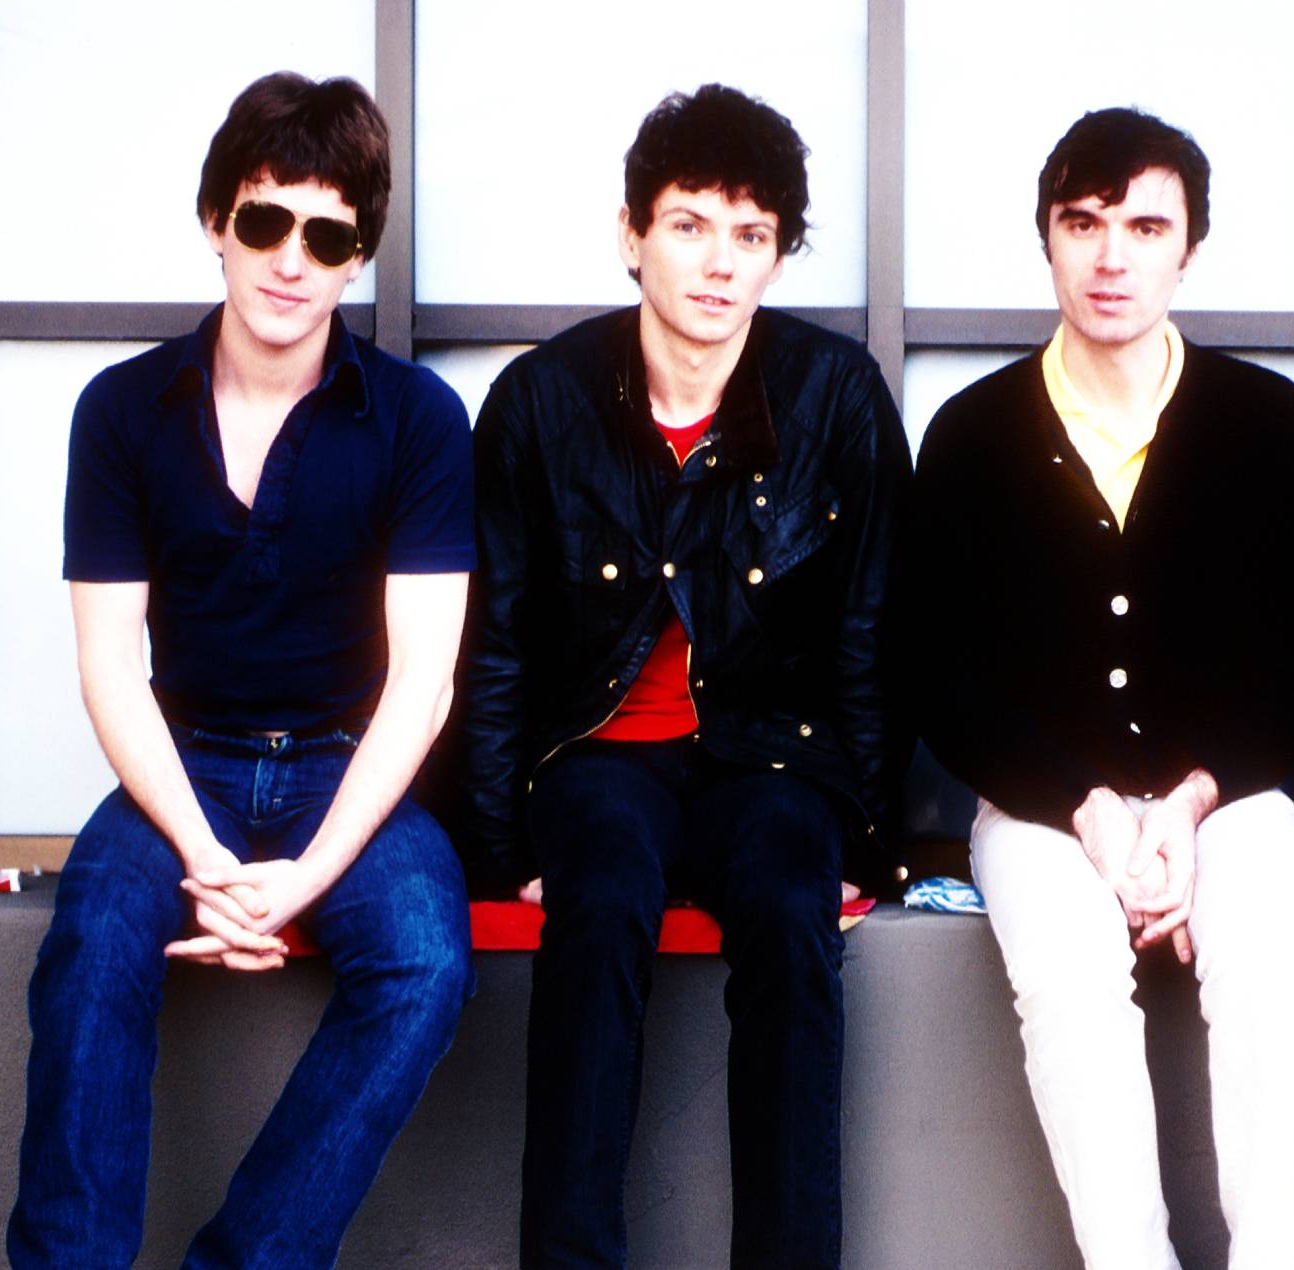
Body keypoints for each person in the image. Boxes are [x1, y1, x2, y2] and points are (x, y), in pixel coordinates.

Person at [8, 72, 477, 1268]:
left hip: (342, 773)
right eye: (264, 220)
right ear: (216, 218)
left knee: (425, 958)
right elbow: (109, 664)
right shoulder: (121, 412)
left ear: (357, 253)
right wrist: (212, 859)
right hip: (188, 766)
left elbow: (421, 683)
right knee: (92, 940)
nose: (289, 260)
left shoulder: (418, 418)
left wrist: (304, 877)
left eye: (326, 236)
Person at [443, 84, 910, 1268]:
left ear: (776, 256)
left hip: (770, 751)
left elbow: (869, 629)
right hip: (598, 751)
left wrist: (863, 840)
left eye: (751, 236)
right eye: (690, 224)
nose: (718, 264)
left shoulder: (835, 394)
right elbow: (491, 640)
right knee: (598, 905)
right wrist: (504, 852)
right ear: (630, 235)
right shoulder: (540, 402)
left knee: (792, 919)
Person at [906, 107, 1294, 1267]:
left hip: (1227, 790)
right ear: (1044, 237)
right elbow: (942, 677)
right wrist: (1087, 806)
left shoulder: (1266, 423)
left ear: (1188, 248)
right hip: (1043, 801)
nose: (1111, 256)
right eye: (1083, 222)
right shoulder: (970, 435)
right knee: (1065, 972)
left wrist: (1191, 799)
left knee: (1269, 954)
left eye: (1145, 225)